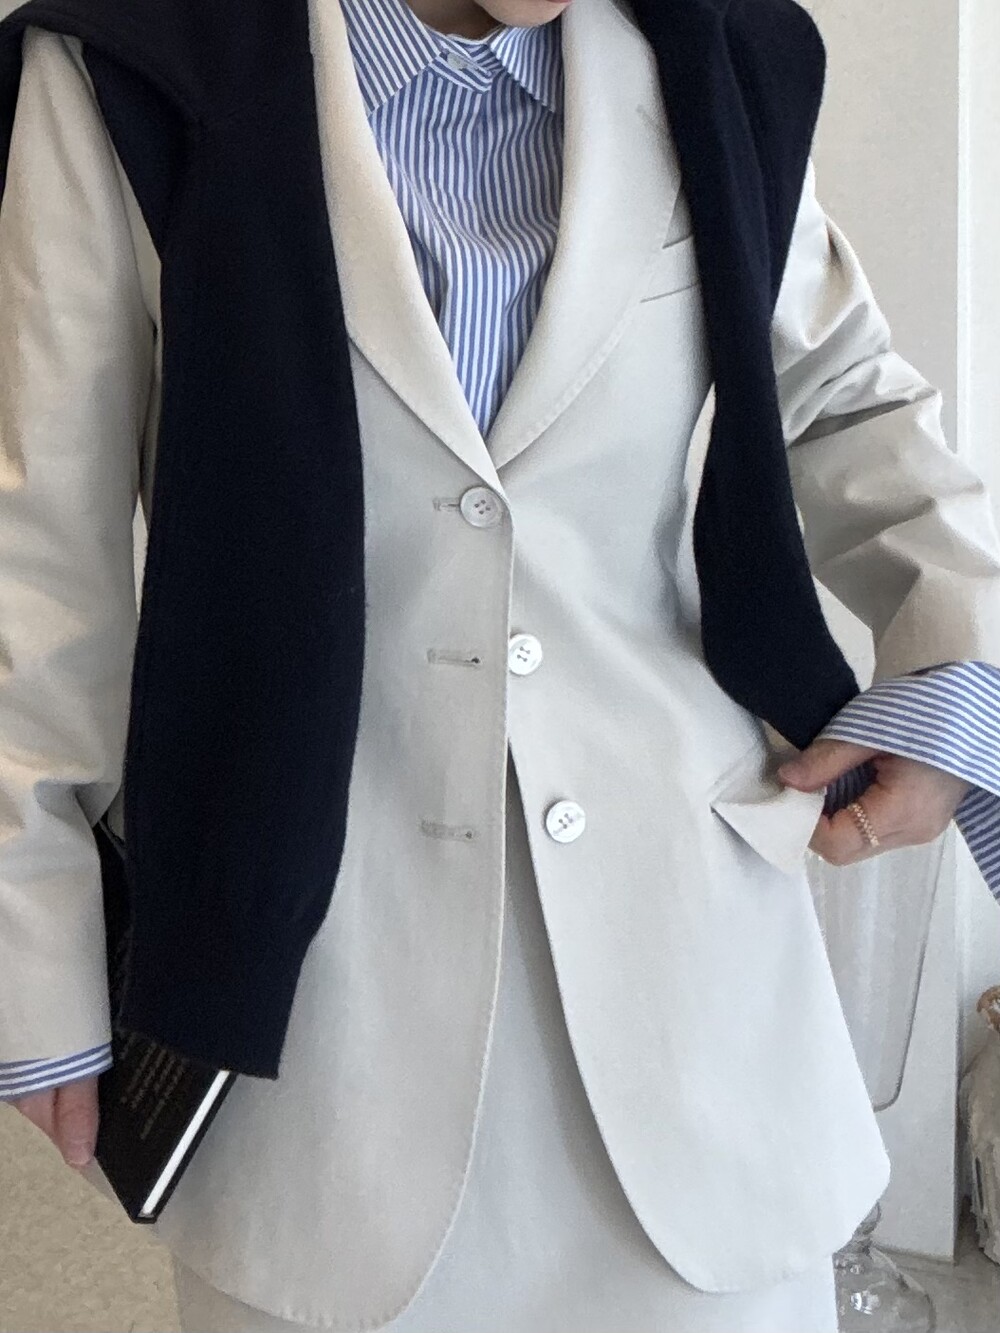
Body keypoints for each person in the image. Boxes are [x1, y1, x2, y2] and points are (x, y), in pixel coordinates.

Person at [1, 0, 999, 1329]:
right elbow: (39, 551)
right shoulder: (129, 66)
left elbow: (840, 392)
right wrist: (33, 948)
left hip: (694, 1006)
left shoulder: (719, 53)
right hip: (319, 1025)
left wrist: (960, 672)